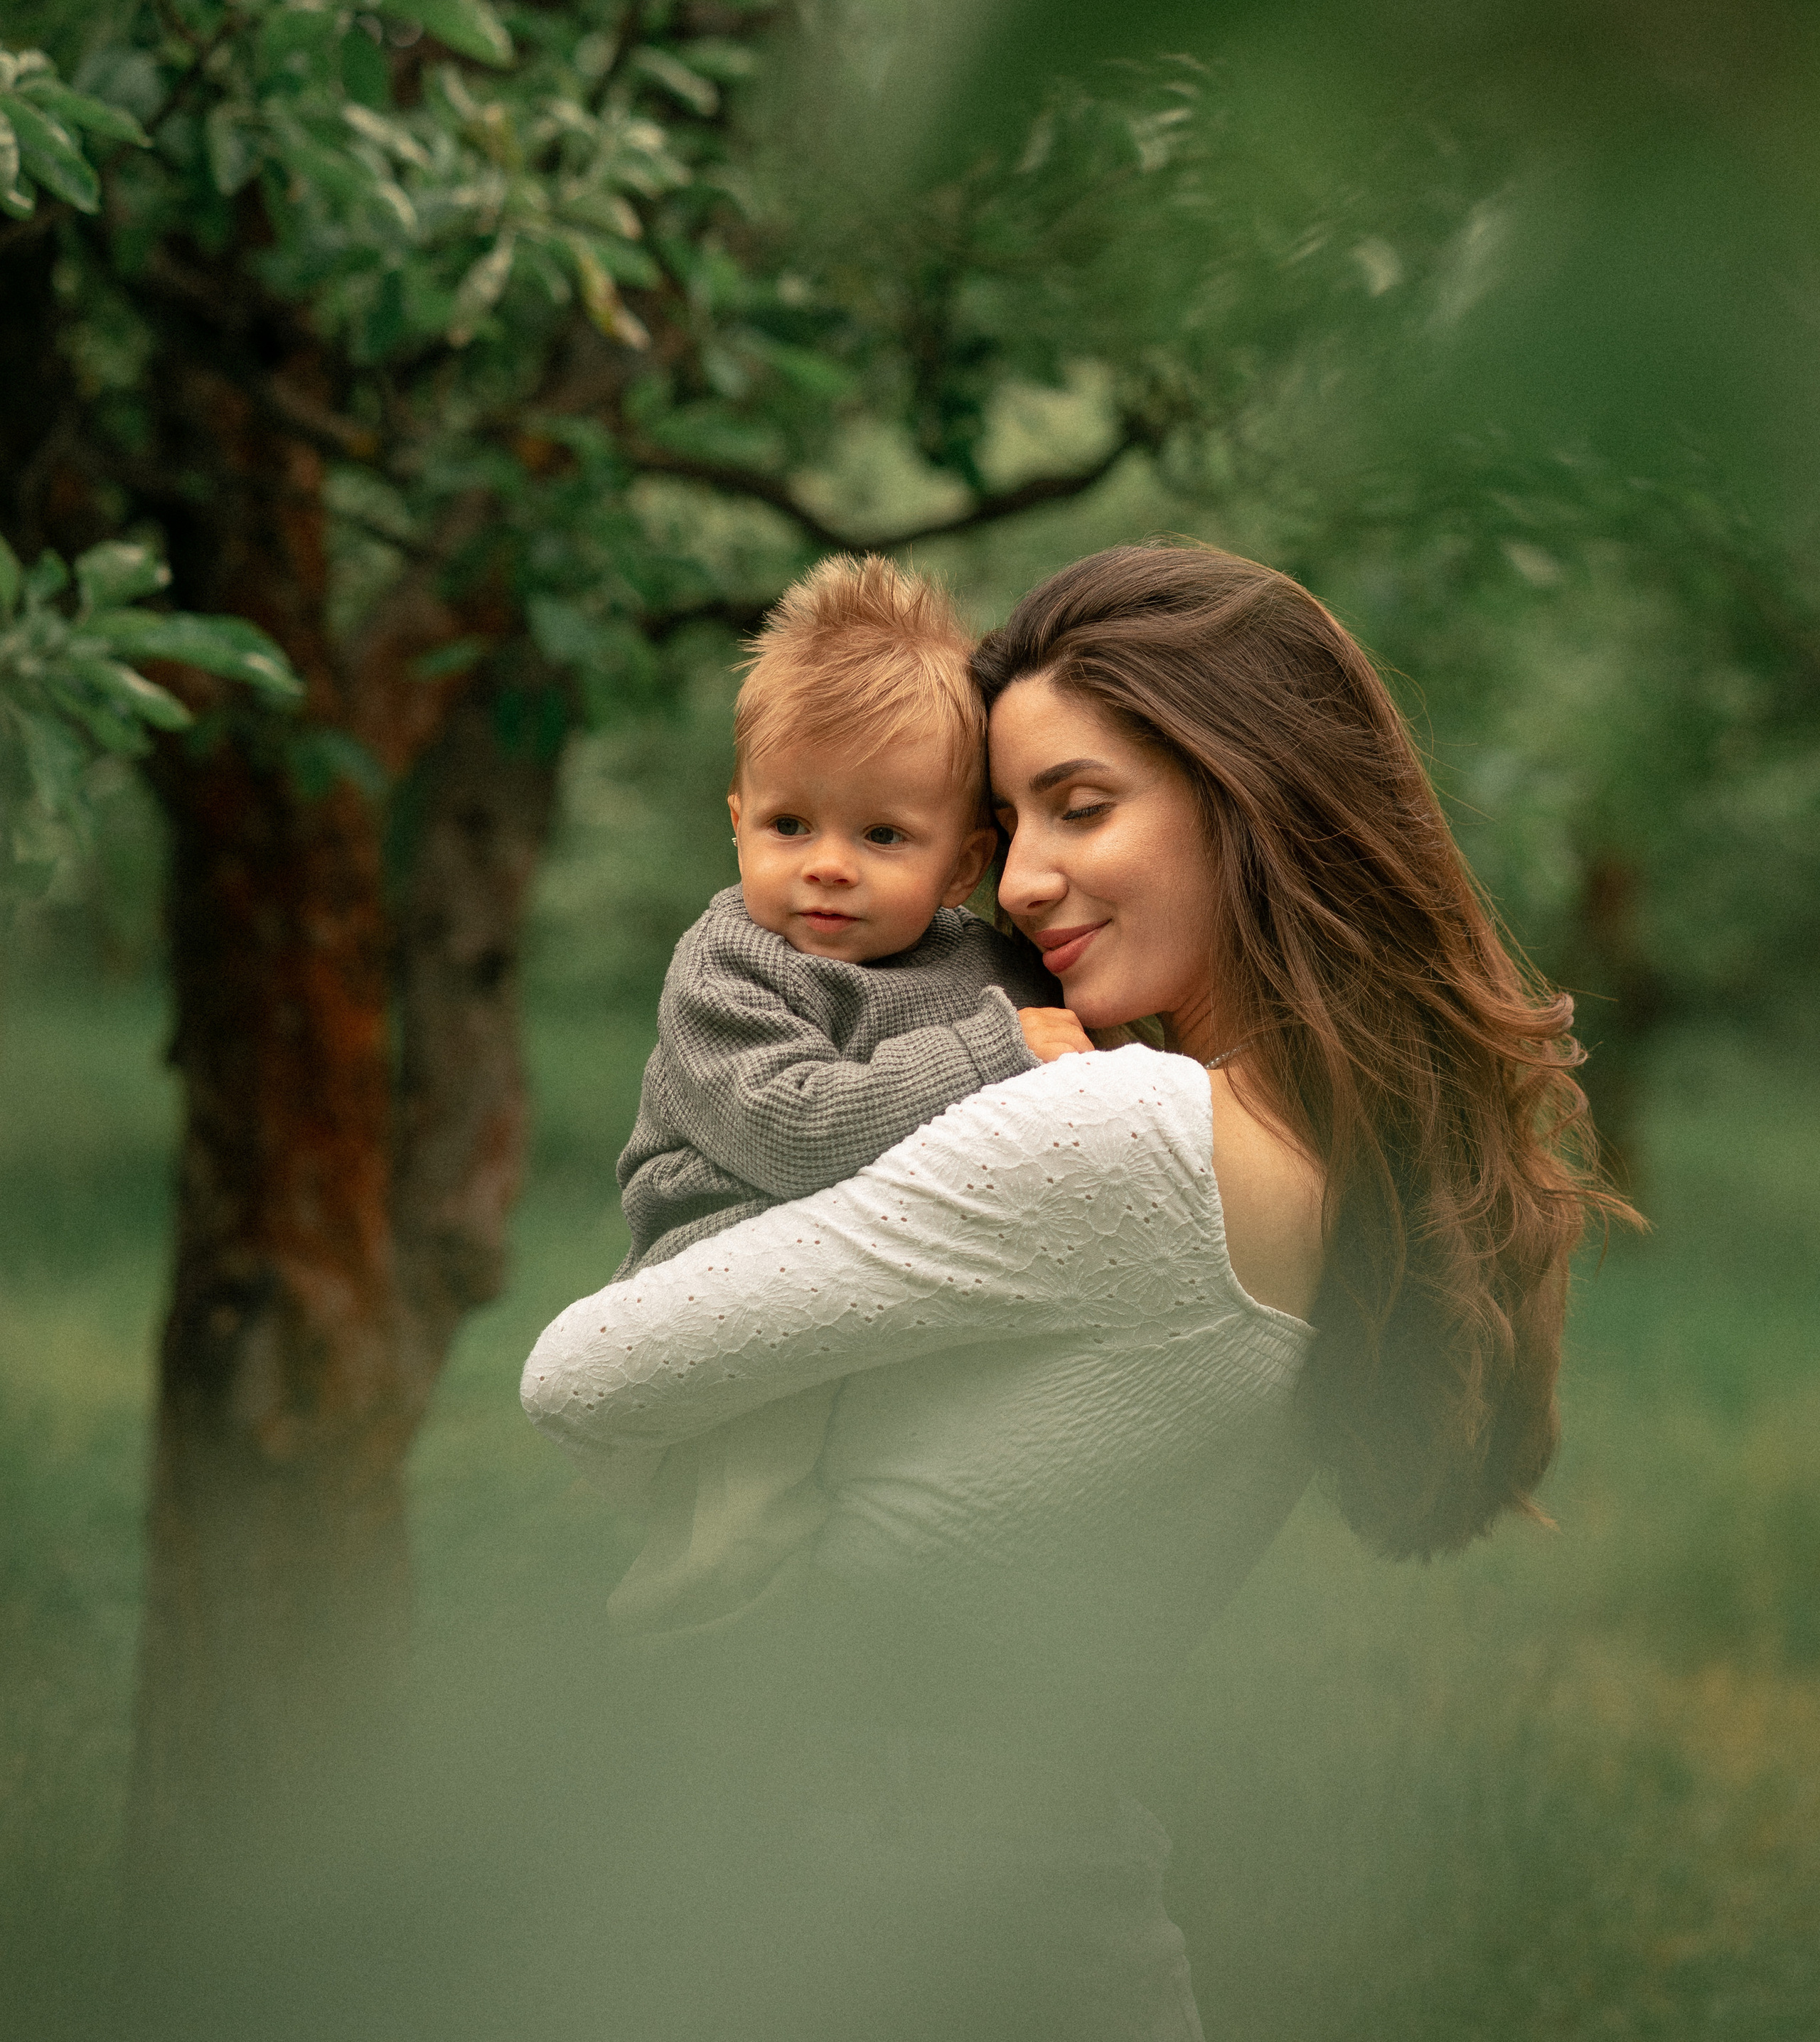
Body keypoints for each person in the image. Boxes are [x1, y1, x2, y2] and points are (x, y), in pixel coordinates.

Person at [522, 545, 1605, 2041]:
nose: (1021, 879)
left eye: (1079, 807)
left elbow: (581, 1373)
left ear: (1249, 799)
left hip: (846, 1920)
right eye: (1009, 819)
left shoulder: (1121, 1131)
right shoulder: (1371, 1190)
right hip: (1062, 1905)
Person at [602, 550, 1064, 1627]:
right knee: (751, 1516)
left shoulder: (985, 968)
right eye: (789, 824)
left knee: (914, 1490)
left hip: (901, 1261)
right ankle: (685, 1642)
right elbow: (796, 1128)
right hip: (734, 1257)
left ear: (962, 867)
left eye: (883, 835)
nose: (827, 865)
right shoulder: (735, 963)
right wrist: (992, 1055)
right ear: (737, 820)